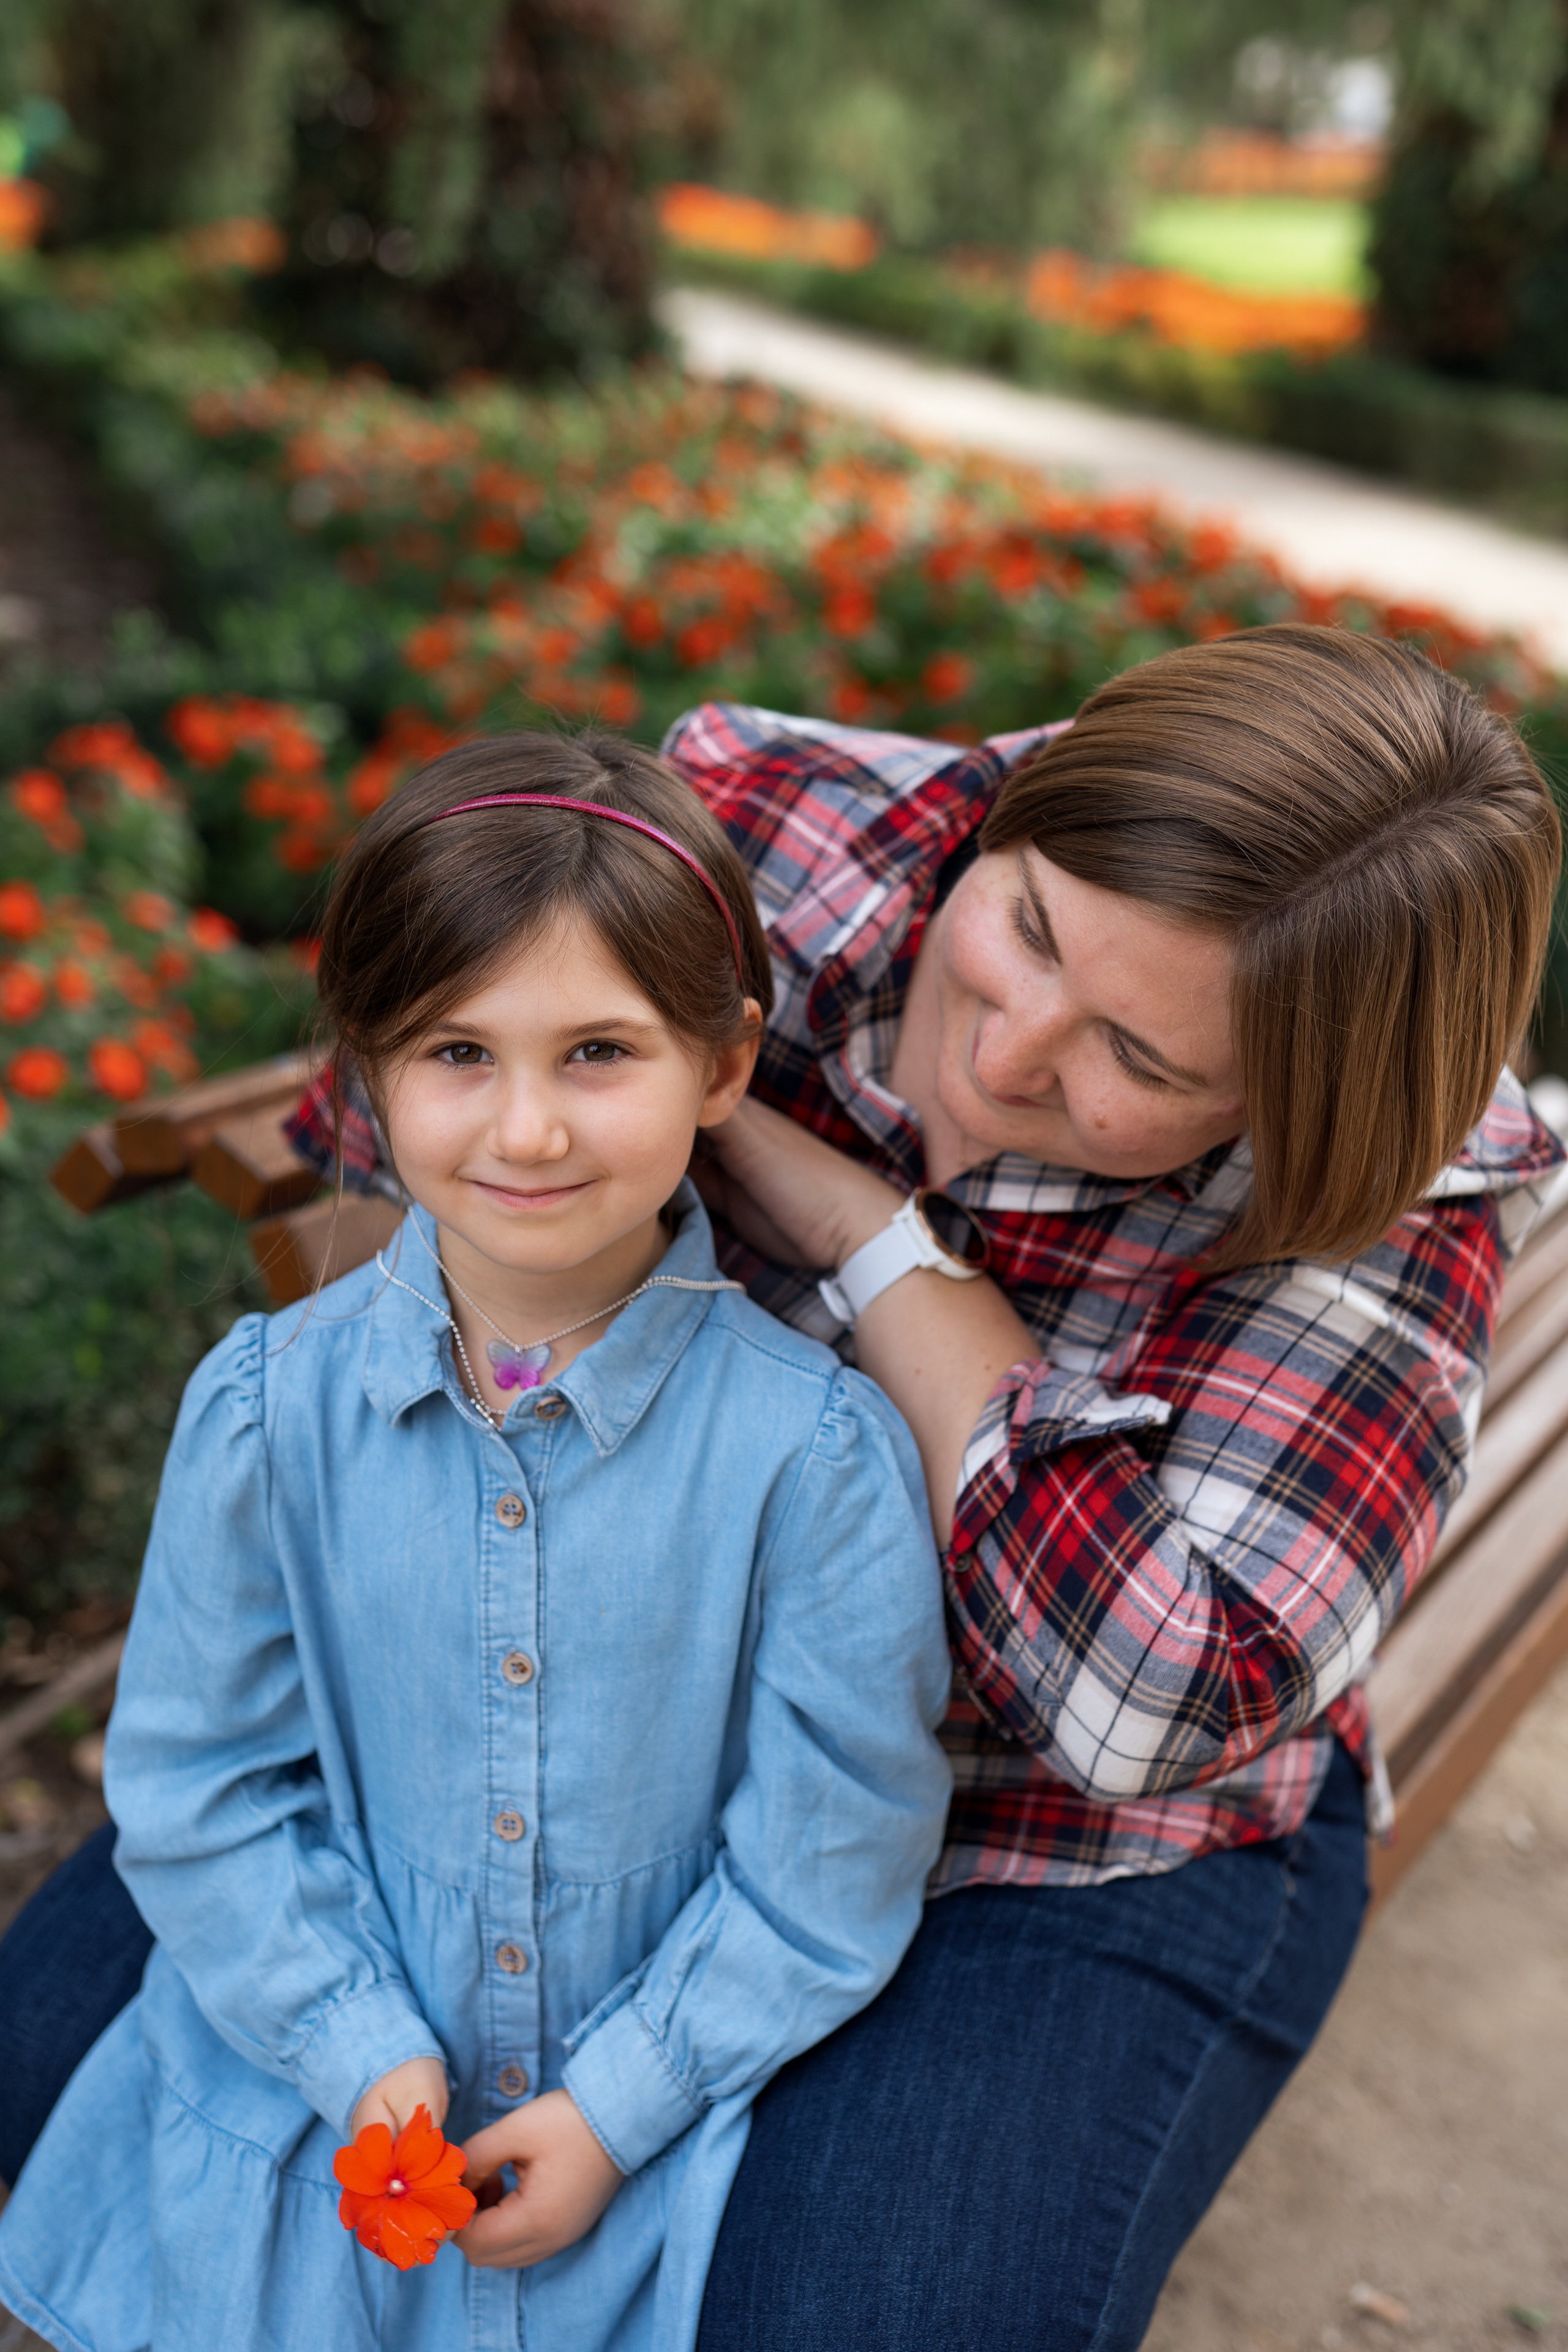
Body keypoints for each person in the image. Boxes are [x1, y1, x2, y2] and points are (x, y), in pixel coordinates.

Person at [1, 621, 1563, 2350]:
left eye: (1144, 1062)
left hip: (1047, 1838)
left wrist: (877, 1247)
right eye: (1028, 924)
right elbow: (395, 1113)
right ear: (1030, 806)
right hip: (572, 1718)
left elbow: (1132, 1716)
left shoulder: (1384, 1201)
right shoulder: (778, 832)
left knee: (849, 2313)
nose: (1007, 1051)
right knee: (54, 2103)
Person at [0, 735, 953, 2352]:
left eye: (598, 1051)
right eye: (456, 1050)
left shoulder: (818, 1457)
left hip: (645, 2143)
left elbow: (830, 1853)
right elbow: (197, 1779)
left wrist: (615, 2109)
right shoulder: (263, 1413)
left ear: (722, 1066)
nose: (526, 1129)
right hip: (312, 2108)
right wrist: (354, 2041)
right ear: (368, 1067)